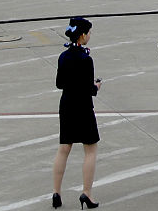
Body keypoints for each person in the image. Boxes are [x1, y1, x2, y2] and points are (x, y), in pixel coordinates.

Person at [52, 16, 101, 208]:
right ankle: (86, 193)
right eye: (88, 32)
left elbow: (59, 83)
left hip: (66, 105)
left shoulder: (63, 56)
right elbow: (89, 90)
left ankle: (56, 193)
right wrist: (96, 86)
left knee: (64, 148)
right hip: (83, 106)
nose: (90, 35)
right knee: (90, 149)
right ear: (82, 35)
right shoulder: (85, 59)